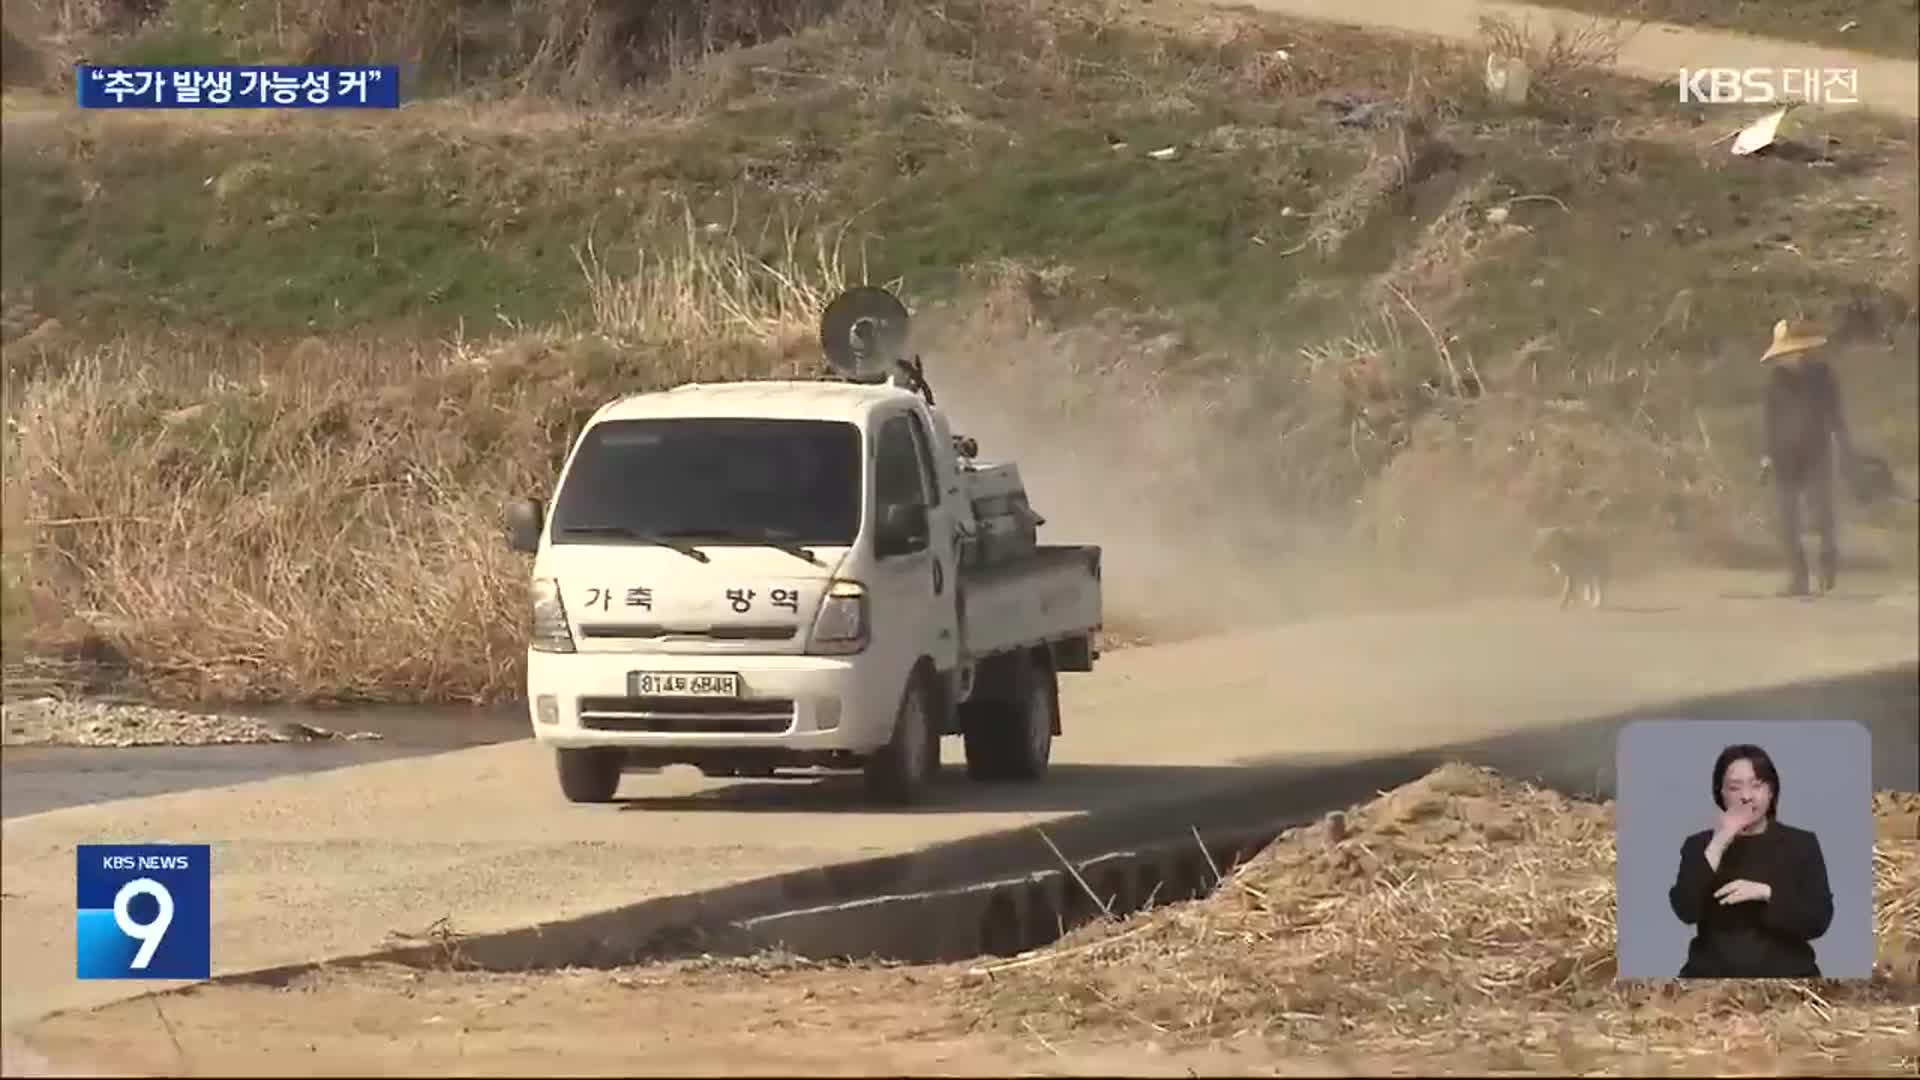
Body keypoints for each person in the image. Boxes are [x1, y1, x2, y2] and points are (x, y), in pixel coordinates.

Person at [1667, 743, 1834, 978]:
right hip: (1710, 980)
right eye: (1735, 788)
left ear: (1771, 791)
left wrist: (1766, 893)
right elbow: (1685, 910)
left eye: (1757, 785)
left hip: (1789, 978)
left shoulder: (1801, 843)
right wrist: (1719, 841)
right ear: (1720, 794)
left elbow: (1819, 920)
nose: (1746, 796)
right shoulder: (1699, 845)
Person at [1757, 319, 1856, 596]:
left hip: (1817, 452)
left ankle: (1828, 564)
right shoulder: (1775, 382)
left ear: (1802, 350)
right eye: (1784, 354)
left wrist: (1846, 448)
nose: (1789, 357)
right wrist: (1765, 456)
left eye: (1793, 352)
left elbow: (1836, 415)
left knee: (1822, 511)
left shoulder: (1823, 376)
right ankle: (1798, 578)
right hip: (1784, 456)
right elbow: (1769, 421)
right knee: (1787, 519)